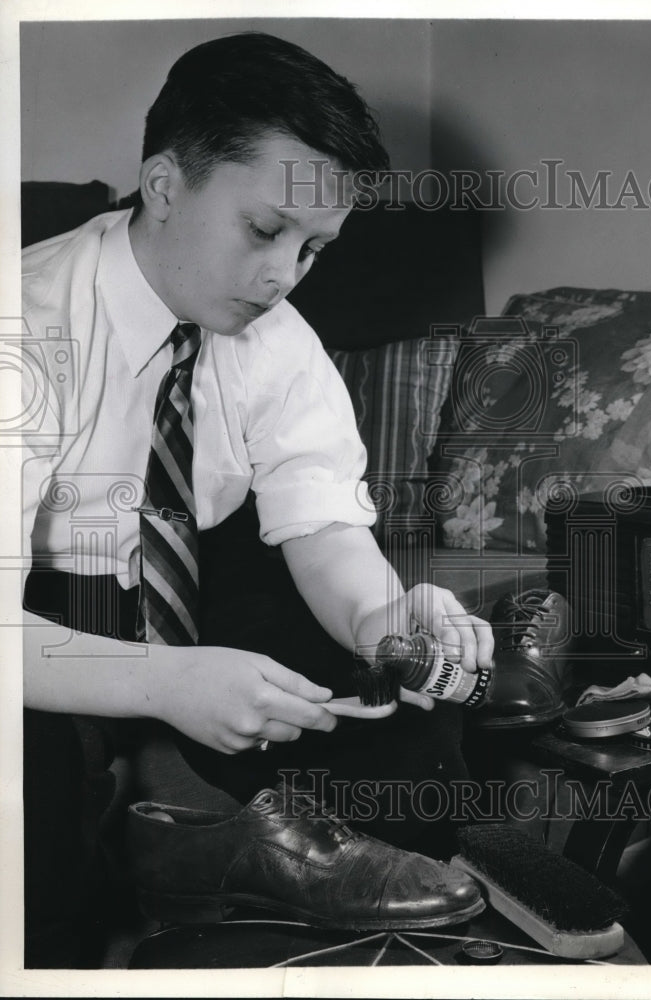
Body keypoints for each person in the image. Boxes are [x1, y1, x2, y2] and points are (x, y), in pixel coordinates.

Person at [21, 31, 494, 967]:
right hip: (37, 614)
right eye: (266, 230)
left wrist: (385, 616)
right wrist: (162, 683)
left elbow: (321, 526)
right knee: (29, 804)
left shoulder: (274, 334)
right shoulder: (22, 329)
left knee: (403, 707)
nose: (284, 277)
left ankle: (326, 930)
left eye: (315, 249)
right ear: (164, 183)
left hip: (190, 576)